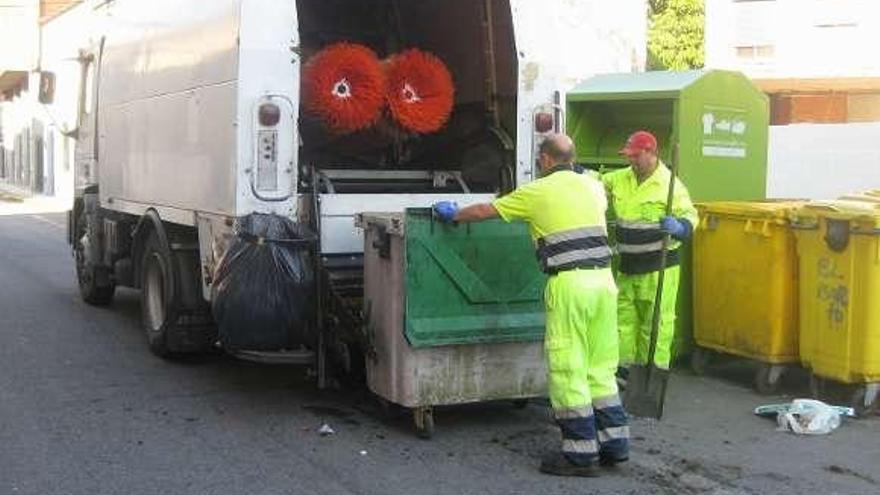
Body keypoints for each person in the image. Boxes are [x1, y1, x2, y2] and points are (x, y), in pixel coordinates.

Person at [432, 134, 629, 477]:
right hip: (604, 283)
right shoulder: (593, 187)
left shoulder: (537, 191)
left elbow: (485, 210)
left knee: (569, 368)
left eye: (540, 160)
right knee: (600, 367)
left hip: (570, 286)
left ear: (547, 160)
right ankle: (614, 445)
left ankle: (580, 456)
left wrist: (454, 214)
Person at [602, 131, 698, 381]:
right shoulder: (620, 178)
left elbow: (691, 218)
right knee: (623, 322)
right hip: (627, 267)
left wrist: (680, 227)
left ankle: (651, 376)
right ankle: (624, 373)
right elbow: (597, 182)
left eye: (636, 156)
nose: (631, 161)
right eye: (629, 156)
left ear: (651, 154)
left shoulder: (671, 186)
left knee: (656, 325)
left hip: (659, 268)